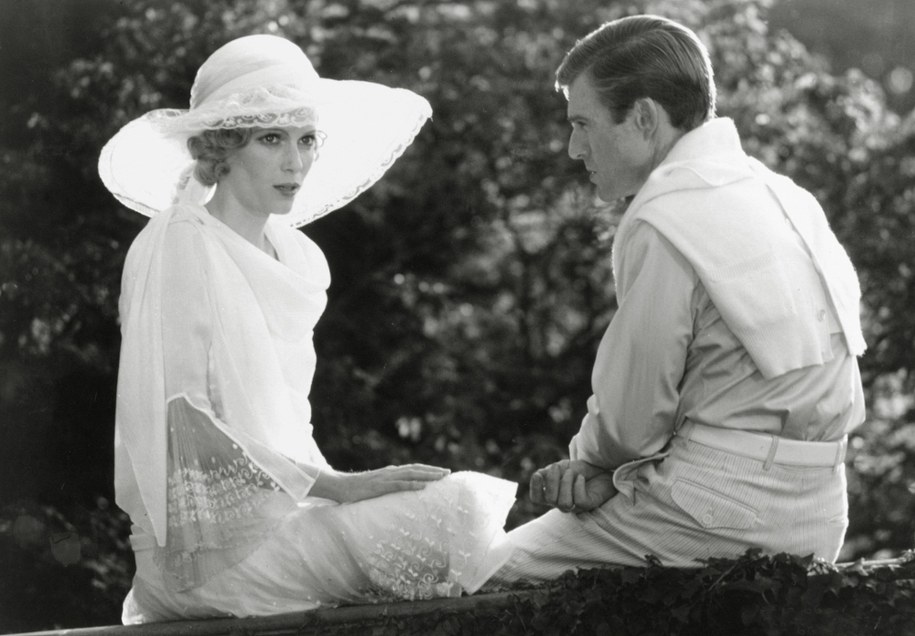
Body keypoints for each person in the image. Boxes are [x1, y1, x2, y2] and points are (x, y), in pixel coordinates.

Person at [98, 34, 516, 623]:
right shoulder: (180, 239)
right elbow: (182, 418)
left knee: (458, 504)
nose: (296, 162)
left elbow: (291, 421)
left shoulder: (298, 257)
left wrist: (334, 493)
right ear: (223, 148)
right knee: (461, 510)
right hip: (211, 550)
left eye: (306, 139)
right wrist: (336, 488)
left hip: (294, 507)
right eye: (272, 139)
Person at [495, 15, 866, 583]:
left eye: (582, 123)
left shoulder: (666, 215)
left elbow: (632, 421)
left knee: (483, 577)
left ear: (644, 117)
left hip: (717, 509)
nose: (573, 148)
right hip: (821, 509)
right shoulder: (783, 193)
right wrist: (613, 471)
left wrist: (589, 466)